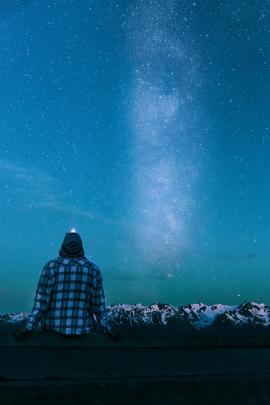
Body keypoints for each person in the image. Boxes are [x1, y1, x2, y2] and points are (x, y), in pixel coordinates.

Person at [15, 230, 119, 342]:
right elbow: (99, 304)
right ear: (81, 247)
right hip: (83, 332)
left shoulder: (51, 267)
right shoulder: (93, 269)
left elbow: (41, 302)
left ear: (63, 246)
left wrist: (28, 326)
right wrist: (107, 329)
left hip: (52, 332)